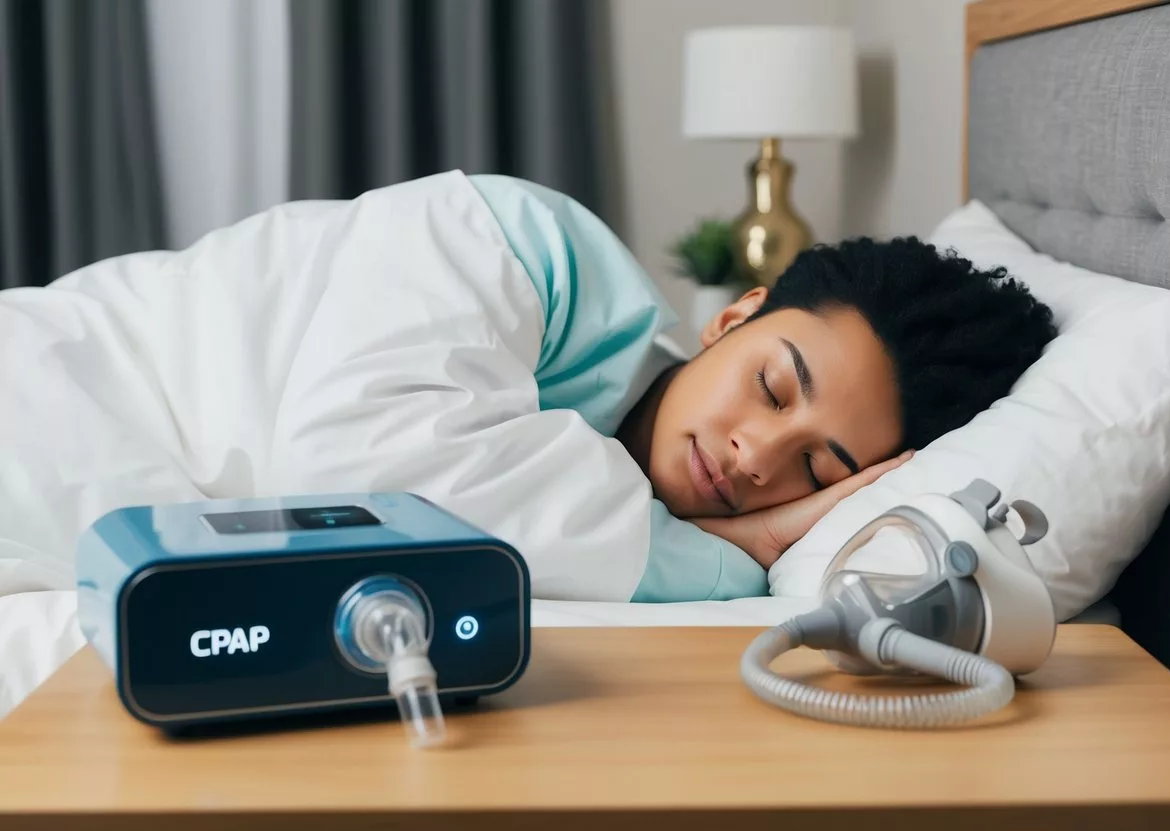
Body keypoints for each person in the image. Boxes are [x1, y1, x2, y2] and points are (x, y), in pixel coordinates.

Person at [0, 171, 1055, 606]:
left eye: (815, 471)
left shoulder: (628, 517)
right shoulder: (519, 245)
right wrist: (729, 550)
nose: (753, 458)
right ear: (733, 314)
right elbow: (356, 478)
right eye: (771, 390)